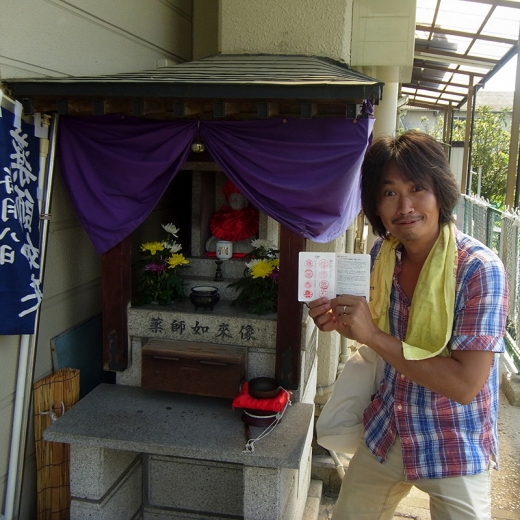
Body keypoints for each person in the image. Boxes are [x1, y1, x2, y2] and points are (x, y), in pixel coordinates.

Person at [308, 130, 508, 519]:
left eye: (417, 188)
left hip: (454, 441)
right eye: (389, 193)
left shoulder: (479, 270)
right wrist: (338, 320)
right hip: (389, 427)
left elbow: (466, 386)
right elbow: (363, 323)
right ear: (376, 207)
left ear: (440, 192)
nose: (405, 206)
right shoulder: (384, 254)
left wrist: (374, 337)